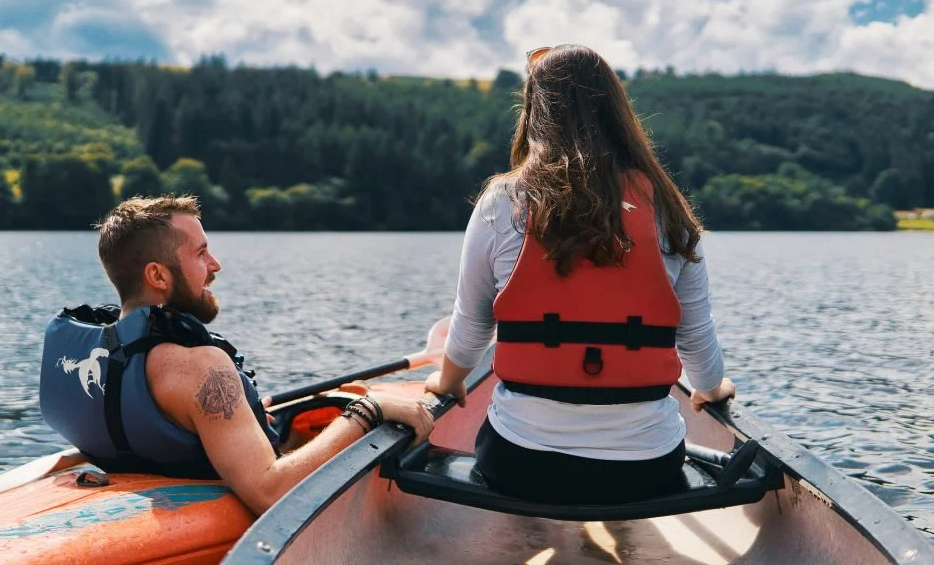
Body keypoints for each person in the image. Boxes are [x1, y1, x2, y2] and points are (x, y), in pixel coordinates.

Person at [424, 44, 736, 505]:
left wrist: (448, 383)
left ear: (534, 112)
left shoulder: (504, 201)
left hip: (521, 463)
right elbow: (696, 334)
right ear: (617, 113)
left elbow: (471, 322)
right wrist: (712, 388)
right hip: (648, 469)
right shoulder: (668, 212)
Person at [39, 195, 434, 515]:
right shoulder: (201, 368)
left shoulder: (103, 352)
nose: (216, 265)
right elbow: (269, 491)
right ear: (158, 276)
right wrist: (369, 411)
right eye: (200, 254)